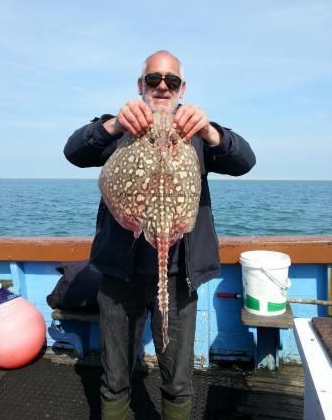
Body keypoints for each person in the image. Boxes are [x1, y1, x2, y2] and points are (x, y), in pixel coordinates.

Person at [64, 50, 256, 420]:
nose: (163, 87)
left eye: (171, 81)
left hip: (179, 276)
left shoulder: (197, 134)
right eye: (154, 79)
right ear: (141, 86)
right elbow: (74, 151)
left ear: (182, 88)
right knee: (115, 376)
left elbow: (244, 161)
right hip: (119, 277)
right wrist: (113, 126)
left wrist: (210, 132)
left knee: (178, 379)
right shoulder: (119, 127)